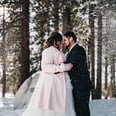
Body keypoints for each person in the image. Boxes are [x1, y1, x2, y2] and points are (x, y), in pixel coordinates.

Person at [20, 32, 76, 116]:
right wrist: (63, 67)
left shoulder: (59, 52)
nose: (62, 43)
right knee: (51, 107)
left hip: (61, 84)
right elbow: (46, 67)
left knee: (62, 107)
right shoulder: (48, 51)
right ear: (55, 41)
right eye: (60, 41)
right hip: (52, 85)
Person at [63, 31, 92, 116]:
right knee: (79, 110)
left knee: (82, 110)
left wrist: (55, 67)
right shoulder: (72, 51)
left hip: (81, 85)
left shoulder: (78, 49)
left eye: (65, 40)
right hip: (77, 85)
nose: (64, 42)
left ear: (71, 38)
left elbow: (70, 65)